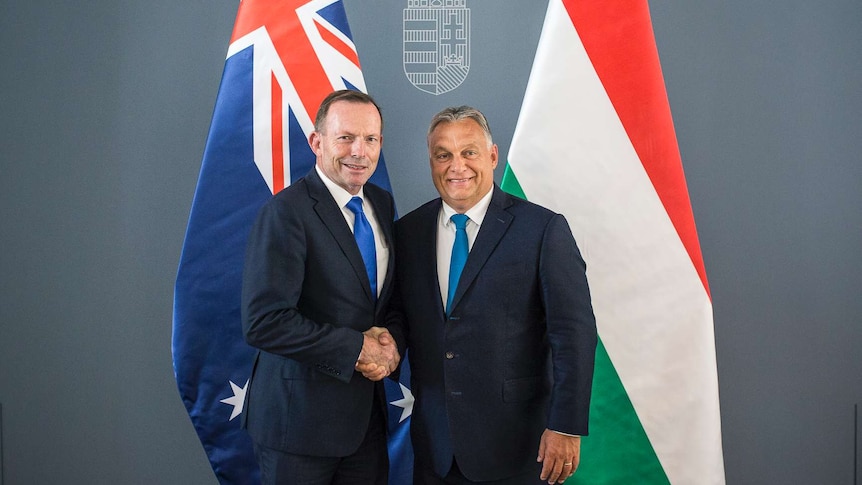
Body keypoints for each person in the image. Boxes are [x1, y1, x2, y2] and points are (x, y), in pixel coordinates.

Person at [387, 106, 597, 484]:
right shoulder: (408, 232)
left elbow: (573, 332)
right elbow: (404, 317)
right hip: (435, 447)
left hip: (517, 446)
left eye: (469, 152)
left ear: (493, 156)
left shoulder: (542, 229)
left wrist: (565, 426)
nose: (457, 166)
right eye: (443, 155)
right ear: (431, 161)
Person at [241, 89, 400, 485]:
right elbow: (264, 322)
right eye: (345, 137)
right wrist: (355, 348)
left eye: (371, 139)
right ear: (317, 142)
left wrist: (392, 339)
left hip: (365, 425)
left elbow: (383, 300)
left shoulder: (381, 203)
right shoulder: (286, 213)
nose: (359, 151)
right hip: (298, 427)